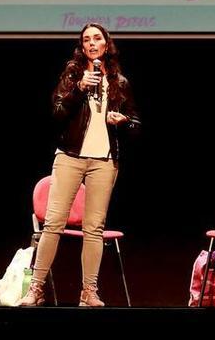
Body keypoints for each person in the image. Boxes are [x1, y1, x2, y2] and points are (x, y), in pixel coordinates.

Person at [19, 23, 140, 307]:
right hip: (70, 156)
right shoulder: (72, 75)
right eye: (86, 40)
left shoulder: (120, 82)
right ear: (82, 47)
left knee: (94, 228)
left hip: (105, 160)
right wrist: (79, 89)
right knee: (53, 224)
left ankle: (89, 291)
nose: (91, 43)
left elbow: (136, 124)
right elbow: (57, 113)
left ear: (106, 44)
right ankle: (36, 289)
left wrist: (123, 121)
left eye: (97, 38)